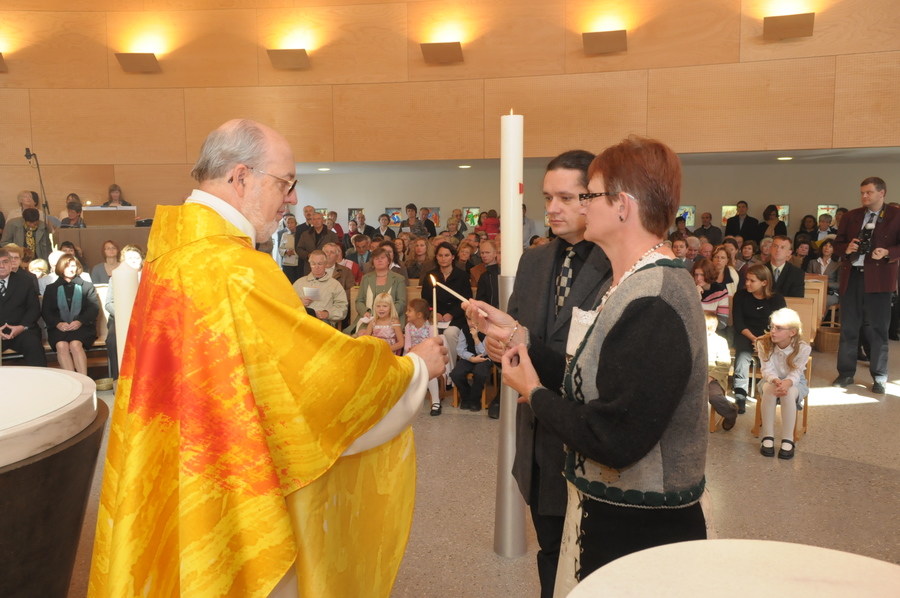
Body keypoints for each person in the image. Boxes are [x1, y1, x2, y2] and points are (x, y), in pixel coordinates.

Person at [88, 119, 448, 598]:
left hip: (188, 462)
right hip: (229, 482)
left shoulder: (169, 255)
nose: (293, 198)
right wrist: (415, 366)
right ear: (240, 178)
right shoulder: (233, 268)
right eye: (286, 183)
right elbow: (316, 383)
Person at [470, 137, 708, 595]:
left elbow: (612, 436)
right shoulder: (637, 281)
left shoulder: (655, 297)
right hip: (615, 513)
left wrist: (534, 391)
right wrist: (520, 337)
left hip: (641, 523)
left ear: (622, 205)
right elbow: (594, 379)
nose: (579, 206)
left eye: (590, 195)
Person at [832, 177, 900, 395]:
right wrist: (847, 248)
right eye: (862, 192)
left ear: (882, 193)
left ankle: (879, 376)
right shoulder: (851, 216)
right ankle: (845, 373)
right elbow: (837, 244)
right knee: (849, 329)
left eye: (869, 192)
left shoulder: (896, 215)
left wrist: (888, 252)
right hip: (852, 276)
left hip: (880, 279)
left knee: (879, 330)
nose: (864, 196)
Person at [732, 264, 787, 413]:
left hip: (769, 334)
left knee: (776, 352)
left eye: (752, 281)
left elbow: (781, 322)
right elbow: (738, 323)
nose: (747, 283)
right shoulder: (740, 296)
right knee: (742, 354)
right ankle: (740, 394)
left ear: (764, 282)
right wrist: (753, 338)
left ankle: (776, 389)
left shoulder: (777, 298)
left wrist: (765, 338)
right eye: (747, 280)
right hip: (746, 332)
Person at [757, 308, 810, 460]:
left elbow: (796, 372)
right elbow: (766, 370)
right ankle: (768, 437)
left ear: (792, 332)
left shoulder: (803, 348)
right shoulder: (763, 343)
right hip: (770, 380)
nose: (773, 331)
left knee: (787, 394)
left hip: (795, 381)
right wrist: (776, 381)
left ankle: (788, 439)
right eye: (772, 327)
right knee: (769, 390)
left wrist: (786, 383)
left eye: (779, 328)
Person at [41, 255, 98, 375]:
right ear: (60, 268)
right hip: (59, 327)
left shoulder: (87, 286)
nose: (71, 269)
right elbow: (46, 311)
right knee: (61, 346)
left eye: (73, 266)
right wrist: (58, 323)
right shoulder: (51, 288)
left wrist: (80, 321)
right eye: (67, 266)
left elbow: (93, 308)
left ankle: (84, 381)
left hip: (83, 326)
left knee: (75, 344)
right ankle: (73, 382)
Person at [0, 248, 46, 367]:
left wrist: (20, 327)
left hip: (22, 330)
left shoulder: (25, 281)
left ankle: (41, 383)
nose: (2, 266)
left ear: (11, 264)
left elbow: (34, 309)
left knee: (33, 345)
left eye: (5, 262)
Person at [104, 244, 144, 380]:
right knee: (112, 341)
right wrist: (125, 315)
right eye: (129, 258)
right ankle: (119, 378)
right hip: (118, 320)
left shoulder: (149, 279)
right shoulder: (114, 278)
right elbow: (109, 303)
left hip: (144, 320)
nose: (133, 260)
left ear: (142, 260)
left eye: (136, 257)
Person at [353, 245, 407, 333]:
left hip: (391, 319)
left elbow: (401, 302)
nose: (379, 260)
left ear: (389, 261)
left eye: (382, 258)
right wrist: (365, 312)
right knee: (363, 335)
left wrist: (386, 314)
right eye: (376, 258)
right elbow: (359, 300)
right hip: (369, 319)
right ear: (372, 262)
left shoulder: (398, 278)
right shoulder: (366, 278)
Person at [405, 298, 442, 415]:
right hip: (412, 356)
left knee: (428, 373)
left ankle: (436, 401)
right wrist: (410, 350)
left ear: (419, 314)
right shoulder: (408, 327)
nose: (406, 313)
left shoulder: (430, 327)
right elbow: (407, 345)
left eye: (409, 310)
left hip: (428, 358)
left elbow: (433, 346)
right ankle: (409, 401)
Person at [292, 250, 348, 327]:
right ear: (310, 264)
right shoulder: (299, 283)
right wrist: (300, 304)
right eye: (313, 264)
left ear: (325, 264)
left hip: (323, 322)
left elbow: (343, 308)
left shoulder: (335, 285)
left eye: (320, 264)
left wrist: (327, 314)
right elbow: (288, 305)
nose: (316, 267)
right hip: (302, 320)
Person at [450, 315, 492, 412]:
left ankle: (474, 400)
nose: (472, 322)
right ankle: (466, 397)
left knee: (480, 373)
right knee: (456, 374)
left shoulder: (487, 330)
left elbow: (484, 352)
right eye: (469, 319)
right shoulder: (464, 330)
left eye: (475, 319)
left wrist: (476, 338)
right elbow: (460, 349)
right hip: (469, 357)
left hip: (484, 358)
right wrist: (471, 358)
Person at [705, 312, 736, 431]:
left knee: (714, 397)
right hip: (695, 376)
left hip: (713, 379)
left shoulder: (720, 341)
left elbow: (724, 365)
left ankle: (731, 412)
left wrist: (710, 377)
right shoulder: (692, 340)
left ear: (712, 329)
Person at [693, 258, 729, 330]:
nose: (698, 278)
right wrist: (696, 299)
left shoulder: (720, 291)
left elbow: (722, 323)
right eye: (696, 275)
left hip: (712, 331)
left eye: (702, 275)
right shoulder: (690, 289)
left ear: (710, 274)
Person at [807, 238, 840, 308]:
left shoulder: (838, 264)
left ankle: (817, 319)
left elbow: (839, 284)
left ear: (834, 250)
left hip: (830, 293)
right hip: (815, 291)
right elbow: (807, 279)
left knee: (821, 301)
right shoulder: (813, 262)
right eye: (825, 245)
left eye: (830, 246)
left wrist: (825, 284)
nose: (827, 248)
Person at [278, 214, 300, 282]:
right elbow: (280, 249)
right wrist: (286, 251)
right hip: (287, 263)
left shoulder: (300, 234)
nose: (289, 224)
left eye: (292, 222)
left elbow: (303, 248)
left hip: (297, 263)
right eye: (288, 223)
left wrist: (294, 252)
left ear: (295, 223)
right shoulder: (284, 235)